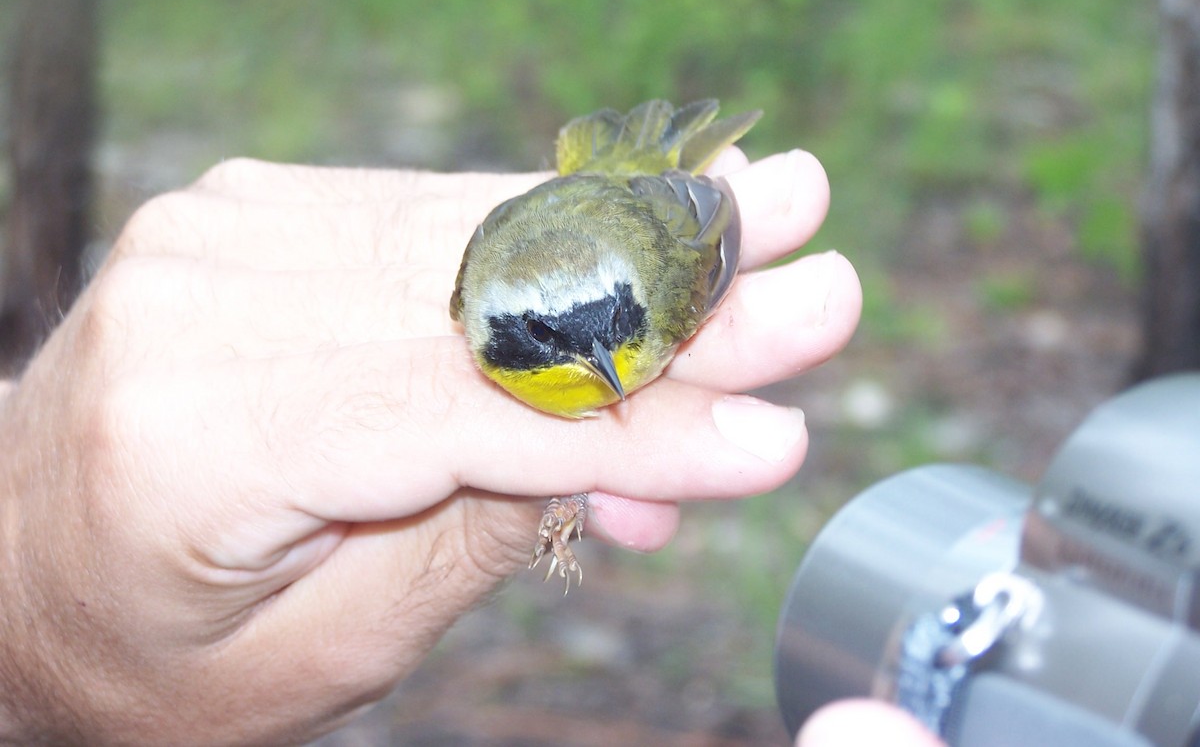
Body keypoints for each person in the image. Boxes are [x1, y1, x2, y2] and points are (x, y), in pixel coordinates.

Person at [0, 145, 930, 746]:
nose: (610, 368)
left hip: (632, 204)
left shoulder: (648, 300)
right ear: (489, 331)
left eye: (620, 328)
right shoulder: (476, 308)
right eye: (569, 347)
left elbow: (707, 222)